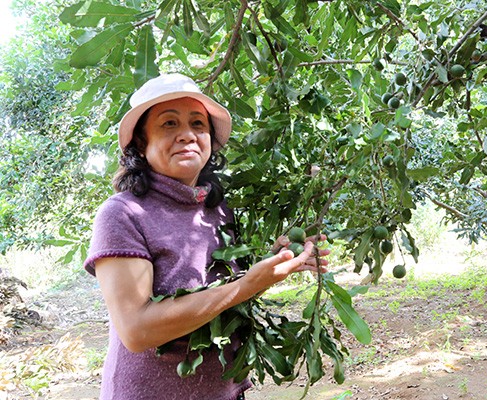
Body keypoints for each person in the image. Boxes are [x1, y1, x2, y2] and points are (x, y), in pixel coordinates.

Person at [84, 73, 329, 400]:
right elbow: (137, 330)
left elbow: (220, 288)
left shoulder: (216, 206)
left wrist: (274, 261)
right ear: (140, 144)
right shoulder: (122, 214)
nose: (187, 134)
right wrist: (248, 286)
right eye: (169, 124)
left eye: (198, 124)